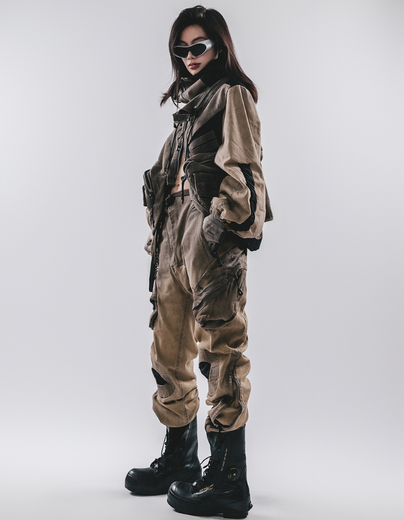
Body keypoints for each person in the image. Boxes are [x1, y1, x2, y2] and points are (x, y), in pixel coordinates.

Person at [125, 5, 273, 518]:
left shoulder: (231, 95)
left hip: (208, 244)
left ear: (220, 47)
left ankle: (229, 479)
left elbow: (246, 168)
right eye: (181, 49)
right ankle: (181, 460)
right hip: (171, 243)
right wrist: (163, 240)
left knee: (221, 352)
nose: (189, 56)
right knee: (168, 351)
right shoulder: (187, 111)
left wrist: (222, 231)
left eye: (199, 47)